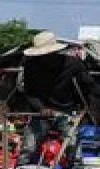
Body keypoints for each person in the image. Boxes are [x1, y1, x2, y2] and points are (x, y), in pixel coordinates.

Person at [21, 31, 100, 161]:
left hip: (66, 112)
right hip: (41, 113)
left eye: (47, 54)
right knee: (28, 147)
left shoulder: (73, 63)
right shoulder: (31, 66)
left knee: (72, 145)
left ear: (54, 52)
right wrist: (40, 108)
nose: (44, 58)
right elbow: (29, 93)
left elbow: (89, 85)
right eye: (41, 55)